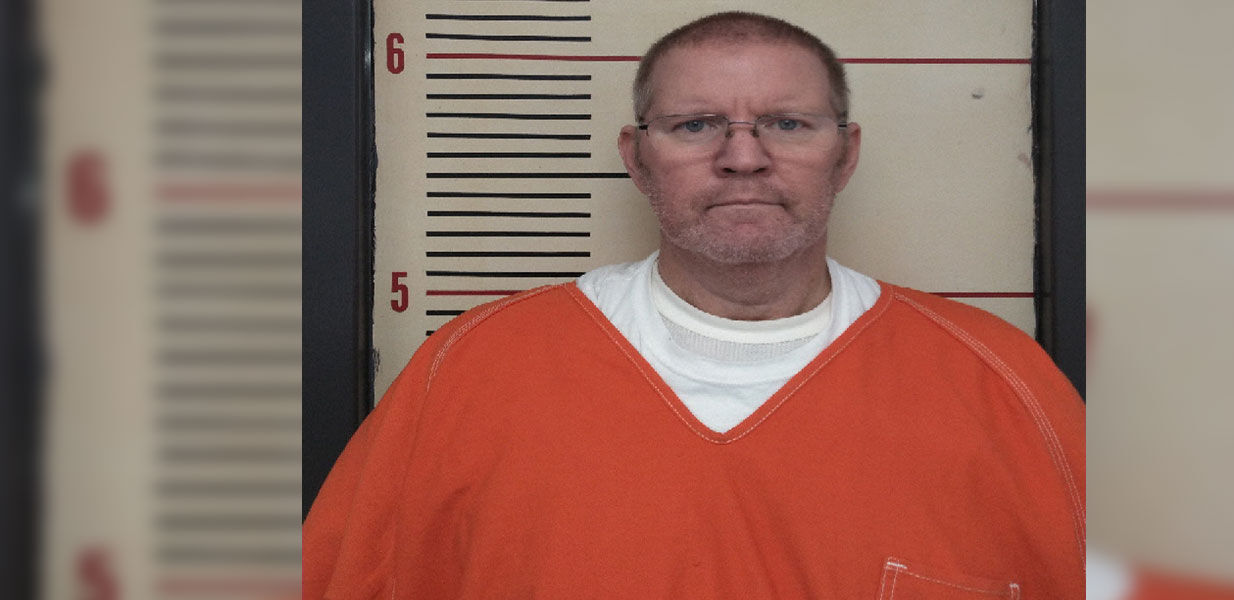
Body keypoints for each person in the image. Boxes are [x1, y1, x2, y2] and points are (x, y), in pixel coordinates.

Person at [304, 11, 1084, 599]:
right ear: (637, 158)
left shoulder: (1003, 383)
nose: (743, 157)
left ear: (845, 154)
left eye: (787, 123)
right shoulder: (472, 370)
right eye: (696, 125)